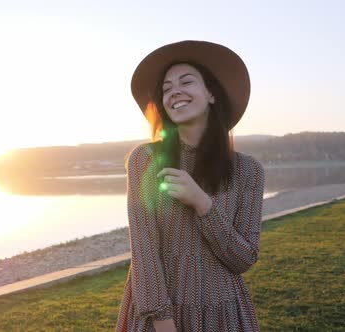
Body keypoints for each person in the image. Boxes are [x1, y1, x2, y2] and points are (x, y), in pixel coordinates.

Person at [115, 40, 265, 332]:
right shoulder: (145, 160)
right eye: (166, 88)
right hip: (158, 315)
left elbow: (244, 258)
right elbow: (144, 251)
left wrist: (203, 204)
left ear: (211, 94)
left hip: (223, 313)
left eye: (186, 82)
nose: (175, 92)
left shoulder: (248, 170)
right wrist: (162, 319)